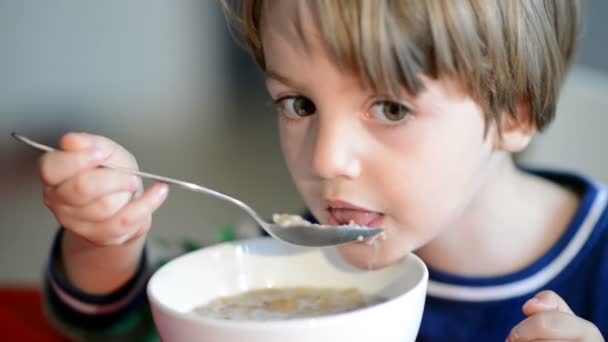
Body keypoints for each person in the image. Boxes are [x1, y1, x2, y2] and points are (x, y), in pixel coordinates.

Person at [39, 0, 607, 341]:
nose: (324, 159)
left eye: (390, 109)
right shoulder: (293, 259)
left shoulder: (598, 270)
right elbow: (124, 321)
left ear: (514, 113)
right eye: (300, 105)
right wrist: (105, 239)